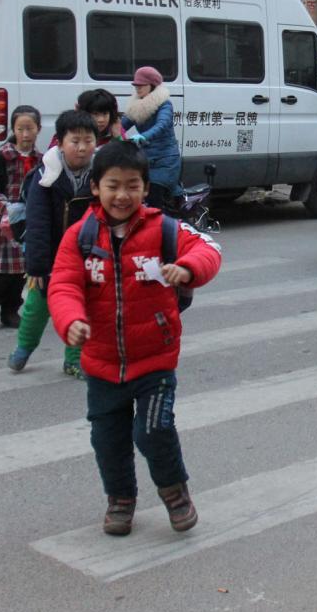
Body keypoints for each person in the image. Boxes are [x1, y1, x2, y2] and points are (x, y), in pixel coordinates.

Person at [47, 140, 221, 536]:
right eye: (113, 185)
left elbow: (208, 249)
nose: (122, 195)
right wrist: (70, 320)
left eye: (132, 185)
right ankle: (120, 500)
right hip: (102, 364)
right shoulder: (80, 236)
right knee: (107, 440)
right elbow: (63, 285)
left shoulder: (165, 228)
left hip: (154, 361)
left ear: (145, 187)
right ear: (96, 187)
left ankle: (175, 492)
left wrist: (188, 268)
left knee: (153, 430)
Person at [7, 109, 95, 377]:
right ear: (60, 142)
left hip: (87, 258)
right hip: (50, 259)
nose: (82, 148)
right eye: (75, 141)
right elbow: (37, 225)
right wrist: (37, 266)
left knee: (82, 310)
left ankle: (74, 360)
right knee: (37, 307)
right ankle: (24, 347)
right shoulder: (45, 177)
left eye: (88, 140)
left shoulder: (101, 175)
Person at [0, 105, 42, 329]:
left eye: (30, 128)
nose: (25, 134)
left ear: (38, 129)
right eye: (20, 129)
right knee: (3, 273)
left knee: (21, 272)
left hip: (27, 225)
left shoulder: (42, 160)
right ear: (14, 129)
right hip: (1, 225)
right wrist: (5, 206)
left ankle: (11, 309)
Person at [121, 66, 181, 210]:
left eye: (142, 85)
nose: (138, 88)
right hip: (145, 160)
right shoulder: (136, 106)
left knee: (153, 196)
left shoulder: (164, 104)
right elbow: (122, 125)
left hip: (165, 159)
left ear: (152, 86)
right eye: (136, 85)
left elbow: (162, 125)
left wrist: (143, 136)